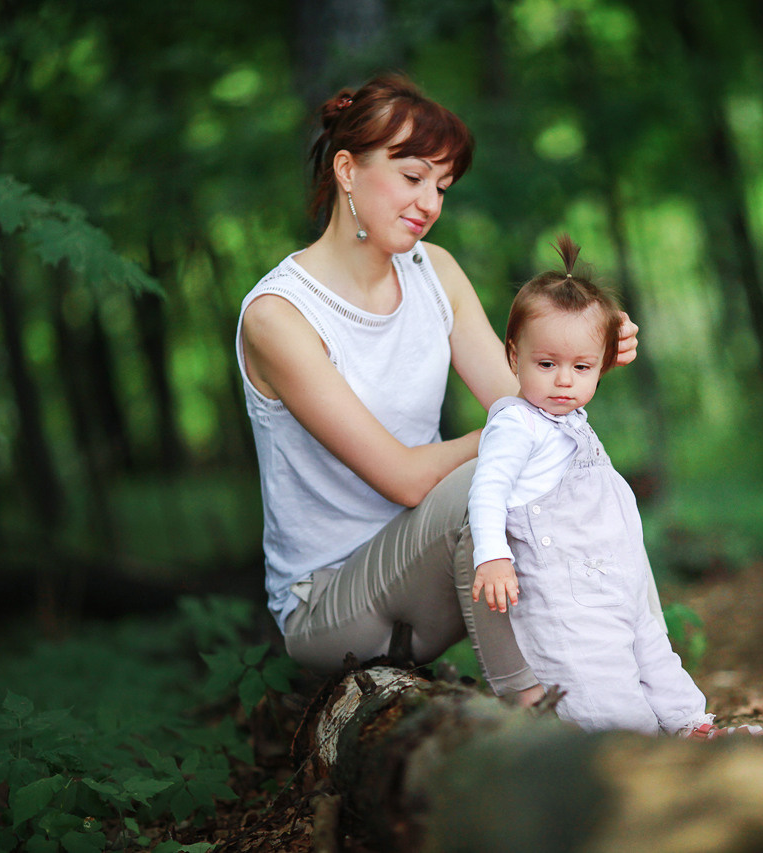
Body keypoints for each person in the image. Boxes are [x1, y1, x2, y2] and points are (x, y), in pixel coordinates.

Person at [234, 74, 640, 708]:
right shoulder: (280, 316)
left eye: (442, 186)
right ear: (347, 169)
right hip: (332, 605)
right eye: (413, 176)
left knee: (550, 469)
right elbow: (405, 479)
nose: (429, 202)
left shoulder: (435, 271)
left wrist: (579, 356)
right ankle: (534, 716)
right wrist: (507, 439)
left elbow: (527, 402)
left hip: (429, 576)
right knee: (485, 475)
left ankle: (613, 680)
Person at [468, 236, 763, 739]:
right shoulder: (516, 425)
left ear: (602, 365)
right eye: (546, 365)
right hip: (563, 596)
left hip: (613, 578)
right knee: (597, 683)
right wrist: (492, 554)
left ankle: (690, 726)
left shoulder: (568, 417)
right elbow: (487, 490)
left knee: (654, 653)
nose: (564, 380)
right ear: (514, 355)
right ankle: (635, 752)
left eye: (581, 367)